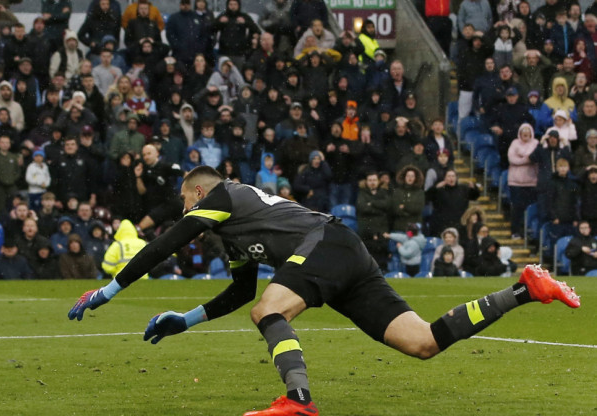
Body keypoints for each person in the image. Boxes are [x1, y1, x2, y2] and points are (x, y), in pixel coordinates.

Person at [67, 166, 579, 415]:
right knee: (423, 342)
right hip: (341, 255)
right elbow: (238, 293)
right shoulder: (233, 231)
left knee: (272, 307)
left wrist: (110, 290)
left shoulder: (223, 195)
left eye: (185, 201)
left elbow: (167, 242)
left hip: (326, 244)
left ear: (198, 193)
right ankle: (525, 288)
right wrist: (188, 318)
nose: (185, 211)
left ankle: (298, 400)